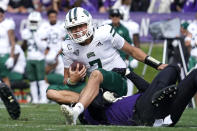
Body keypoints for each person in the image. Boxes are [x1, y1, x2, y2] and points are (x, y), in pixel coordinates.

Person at [46, 7, 167, 124]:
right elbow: (66, 79)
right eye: (73, 28)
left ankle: (76, 111)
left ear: (89, 23)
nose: (78, 30)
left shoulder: (105, 33)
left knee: (96, 73)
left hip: (117, 81)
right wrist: (72, 81)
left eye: (80, 25)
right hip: (95, 88)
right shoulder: (68, 46)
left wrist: (157, 64)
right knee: (51, 92)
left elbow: (132, 50)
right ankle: (95, 100)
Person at [62, 64, 197, 127]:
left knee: (187, 72)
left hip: (164, 113)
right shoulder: (91, 115)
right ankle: (164, 95)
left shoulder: (116, 101)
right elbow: (96, 105)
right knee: (172, 70)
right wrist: (102, 96)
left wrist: (128, 73)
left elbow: (147, 89)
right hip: (141, 113)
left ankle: (164, 96)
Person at [21, 11, 48, 103]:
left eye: (35, 22)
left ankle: (43, 99)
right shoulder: (25, 32)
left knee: (41, 80)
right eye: (31, 21)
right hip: (29, 58)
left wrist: (35, 36)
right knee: (32, 81)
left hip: (39, 58)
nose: (33, 24)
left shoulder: (43, 31)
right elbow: (23, 48)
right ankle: (35, 99)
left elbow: (43, 47)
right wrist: (25, 40)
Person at [0, 7, 16, 88]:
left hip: (3, 54)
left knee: (4, 77)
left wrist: (11, 57)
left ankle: (8, 98)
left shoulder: (8, 24)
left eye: (1, 13)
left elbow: (12, 42)